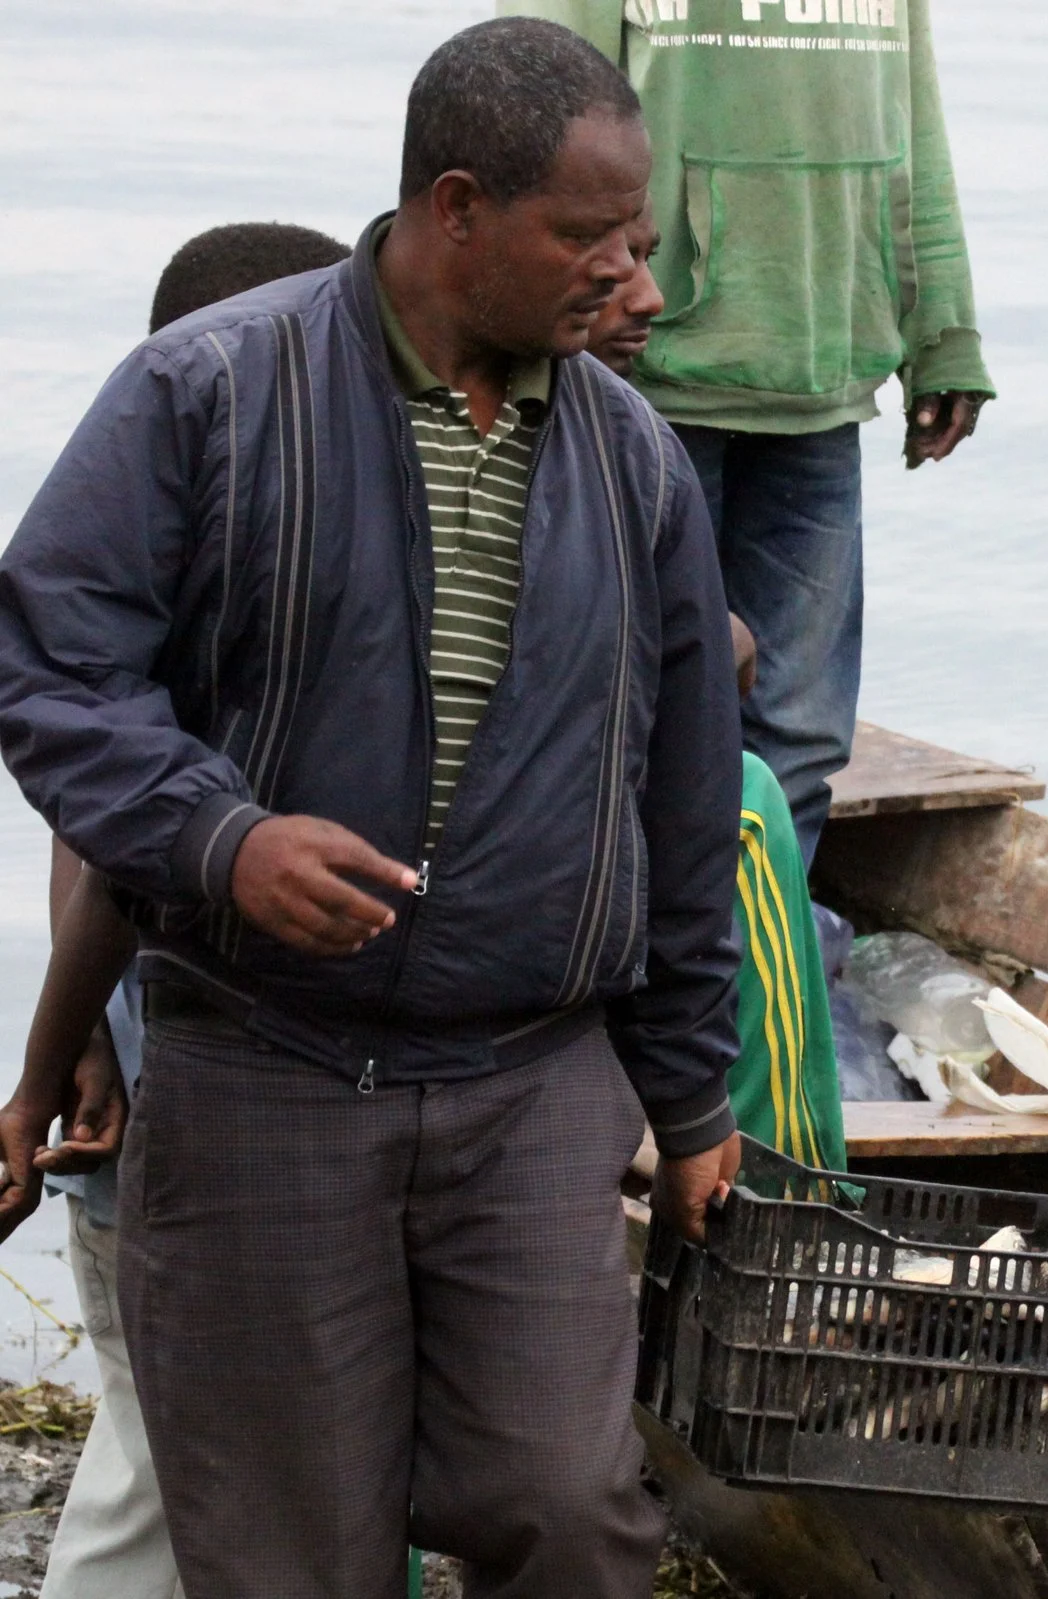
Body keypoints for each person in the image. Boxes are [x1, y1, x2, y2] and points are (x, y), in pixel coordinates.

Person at [0, 20, 745, 1595]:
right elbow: (53, 665)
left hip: (532, 1077)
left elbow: (685, 806)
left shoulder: (637, 463)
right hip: (263, 1069)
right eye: (590, 237)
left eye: (640, 239)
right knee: (289, 1552)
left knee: (568, 1507)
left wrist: (690, 1102)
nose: (635, 281)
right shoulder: (209, 388)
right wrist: (223, 836)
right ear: (456, 208)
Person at [0, 221, 352, 1599]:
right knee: (159, 1460)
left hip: (147, 1080)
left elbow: (79, 802)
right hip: (186, 1111)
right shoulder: (244, 559)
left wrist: (71, 1038)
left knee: (162, 1441)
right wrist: (54, 1058)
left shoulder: (150, 543)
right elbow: (105, 844)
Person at [506, 0, 995, 870]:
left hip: (823, 369)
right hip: (641, 383)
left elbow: (915, 120)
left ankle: (762, 945)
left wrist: (943, 332)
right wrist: (575, 299)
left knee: (800, 732)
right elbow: (537, 106)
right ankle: (626, 935)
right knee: (629, 701)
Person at [584, 222, 845, 1169]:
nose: (648, 296)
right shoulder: (609, 431)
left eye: (646, 257)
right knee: (749, 799)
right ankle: (796, 1190)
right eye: (611, 261)